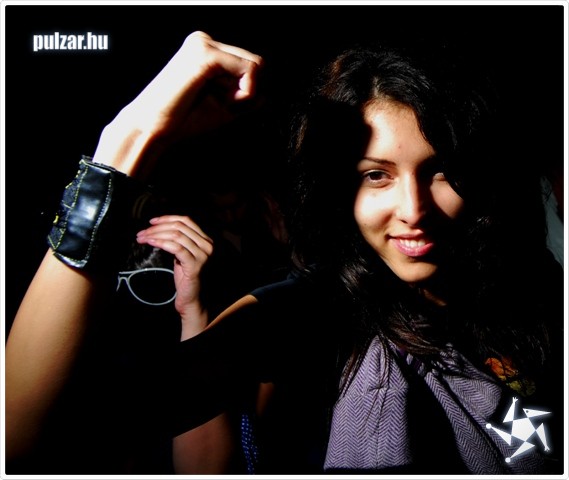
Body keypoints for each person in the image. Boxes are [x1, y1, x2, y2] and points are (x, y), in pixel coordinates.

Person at [5, 31, 564, 474]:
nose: (413, 209)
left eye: (439, 171)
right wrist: (126, 144)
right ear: (339, 189)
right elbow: (25, 440)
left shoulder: (528, 287)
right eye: (376, 175)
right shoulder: (315, 311)